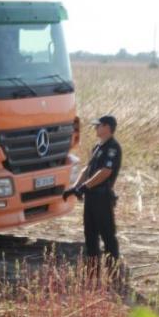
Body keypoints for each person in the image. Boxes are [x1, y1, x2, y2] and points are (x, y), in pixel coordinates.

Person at [64, 115, 122, 269]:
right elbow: (87, 169)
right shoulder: (98, 146)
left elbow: (105, 172)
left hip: (102, 197)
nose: (95, 128)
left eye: (98, 125)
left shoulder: (112, 148)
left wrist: (85, 187)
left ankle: (112, 271)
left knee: (107, 235)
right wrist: (76, 187)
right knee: (90, 234)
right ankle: (92, 270)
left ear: (107, 127)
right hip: (91, 197)